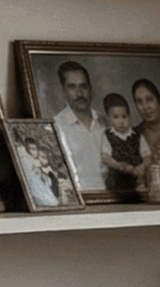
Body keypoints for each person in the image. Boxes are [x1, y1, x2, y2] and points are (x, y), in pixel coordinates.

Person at [49, 60, 105, 191]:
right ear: (64, 90)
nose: (79, 94)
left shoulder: (106, 123)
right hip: (82, 203)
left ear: (90, 88)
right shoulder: (55, 127)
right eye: (72, 87)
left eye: (83, 86)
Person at [97, 94, 148, 193]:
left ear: (129, 116)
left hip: (137, 179)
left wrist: (142, 167)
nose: (121, 121)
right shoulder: (107, 135)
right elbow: (105, 157)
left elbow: (148, 156)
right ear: (109, 118)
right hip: (117, 181)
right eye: (116, 117)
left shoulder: (137, 135)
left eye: (124, 116)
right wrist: (120, 166)